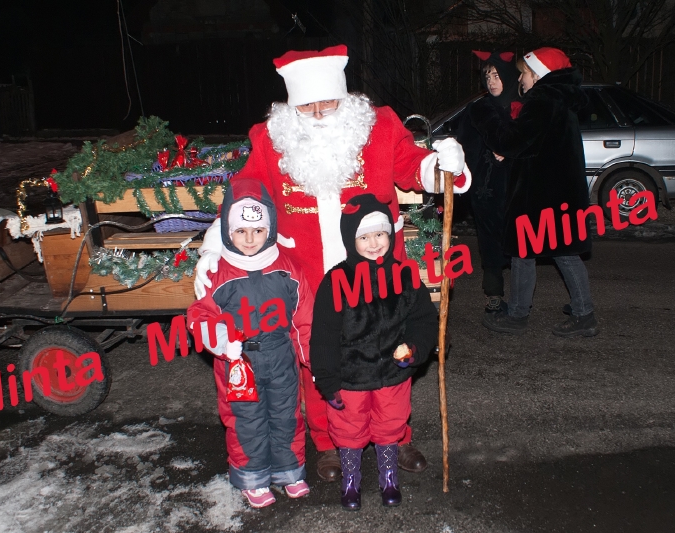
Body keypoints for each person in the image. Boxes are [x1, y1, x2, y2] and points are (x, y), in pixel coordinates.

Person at [194, 44, 471, 482]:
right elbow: (246, 192)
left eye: (328, 103)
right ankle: (328, 442)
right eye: (307, 106)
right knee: (318, 356)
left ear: (344, 96)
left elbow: (413, 168)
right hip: (308, 273)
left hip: (377, 269)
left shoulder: (379, 126)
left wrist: (442, 165)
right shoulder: (271, 138)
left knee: (390, 348)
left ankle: (396, 436)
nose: (319, 113)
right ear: (292, 105)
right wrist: (215, 246)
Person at [187, 178, 314, 508]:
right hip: (239, 363)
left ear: (269, 230)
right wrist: (222, 342)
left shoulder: (288, 269)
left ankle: (289, 470)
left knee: (286, 416)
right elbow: (199, 316)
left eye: (257, 230)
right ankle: (253, 476)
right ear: (227, 232)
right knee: (247, 419)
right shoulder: (220, 273)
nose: (249, 239)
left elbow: (304, 317)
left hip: (281, 356)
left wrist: (313, 358)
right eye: (240, 231)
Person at [309, 193, 438, 510]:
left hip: (393, 374)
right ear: (350, 240)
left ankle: (389, 476)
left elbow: (423, 320)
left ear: (390, 235)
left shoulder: (405, 275)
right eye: (364, 237)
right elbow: (323, 335)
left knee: (390, 424)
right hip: (351, 376)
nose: (374, 243)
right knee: (348, 427)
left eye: (380, 234)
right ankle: (351, 480)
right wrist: (328, 380)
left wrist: (415, 349)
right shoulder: (336, 280)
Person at [471, 47, 599, 337]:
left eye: (526, 73)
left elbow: (513, 141)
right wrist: (513, 151)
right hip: (555, 192)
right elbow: (537, 146)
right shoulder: (558, 101)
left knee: (539, 252)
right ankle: (567, 310)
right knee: (542, 253)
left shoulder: (543, 101)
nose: (521, 78)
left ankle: (575, 314)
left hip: (543, 195)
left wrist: (486, 118)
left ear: (539, 75)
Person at [457, 50, 521, 318]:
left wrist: (511, 152)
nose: (492, 82)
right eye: (487, 76)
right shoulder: (478, 110)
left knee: (519, 244)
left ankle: (520, 302)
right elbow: (465, 148)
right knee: (490, 244)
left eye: (496, 76)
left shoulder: (524, 109)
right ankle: (494, 295)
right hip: (486, 190)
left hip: (518, 189)